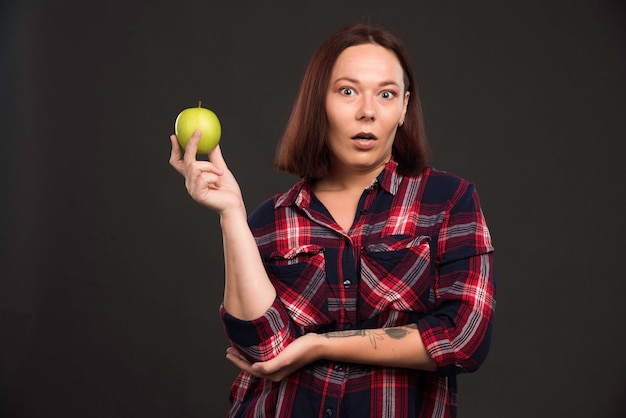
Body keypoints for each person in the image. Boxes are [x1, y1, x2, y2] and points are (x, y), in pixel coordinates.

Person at [169, 23, 496, 418]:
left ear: (404, 107)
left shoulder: (448, 201)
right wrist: (231, 213)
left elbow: (464, 337)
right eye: (347, 91)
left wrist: (319, 345)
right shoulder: (271, 220)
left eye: (386, 94)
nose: (367, 112)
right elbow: (263, 349)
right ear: (318, 101)